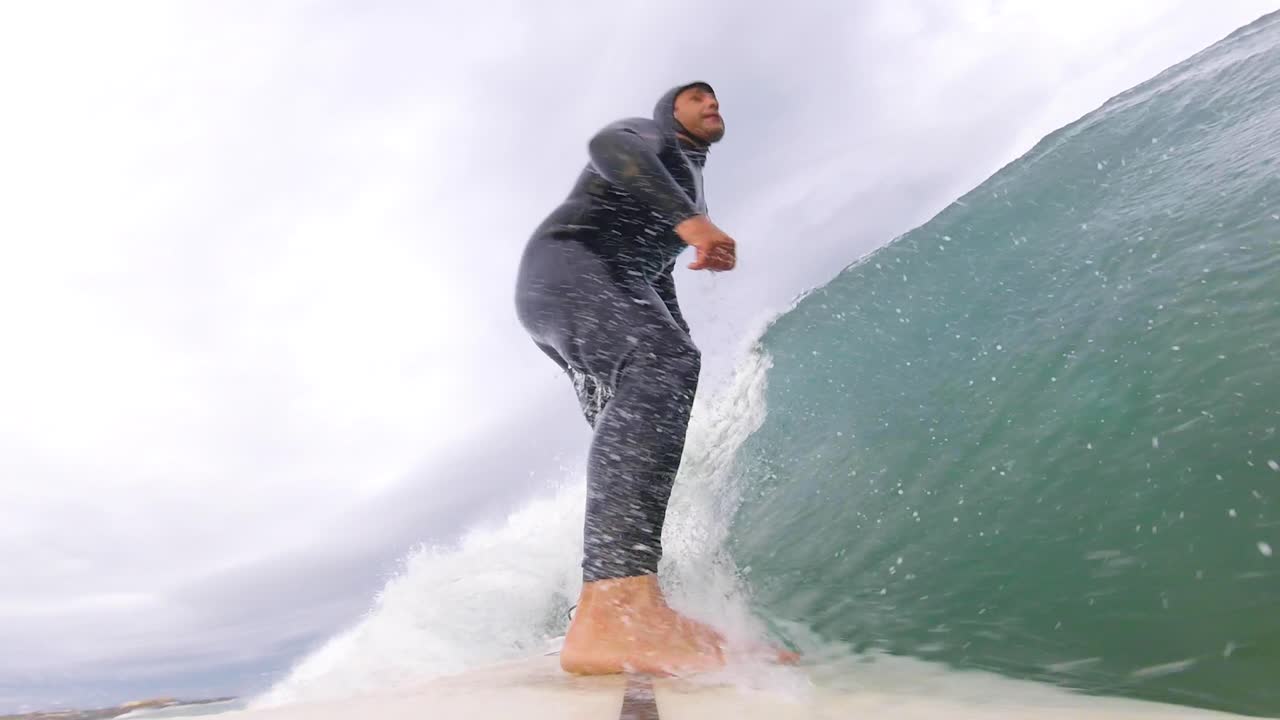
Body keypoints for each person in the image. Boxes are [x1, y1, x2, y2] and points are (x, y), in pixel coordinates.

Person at [515, 82, 791, 675]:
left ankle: (620, 604)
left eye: (717, 98)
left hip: (583, 286)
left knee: (642, 410)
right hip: (568, 268)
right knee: (660, 364)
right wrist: (693, 223)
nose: (712, 103)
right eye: (697, 97)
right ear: (670, 110)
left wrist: (677, 338)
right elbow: (608, 146)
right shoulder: (651, 138)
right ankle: (617, 611)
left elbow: (652, 274)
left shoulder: (683, 181)